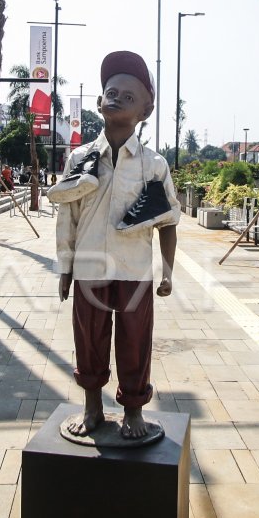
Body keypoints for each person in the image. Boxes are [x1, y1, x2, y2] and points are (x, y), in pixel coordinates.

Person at [57, 50, 179, 439]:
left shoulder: (154, 165)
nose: (118, 97)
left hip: (134, 271)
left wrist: (168, 272)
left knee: (135, 341)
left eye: (130, 95)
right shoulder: (80, 158)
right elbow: (67, 217)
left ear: (146, 109)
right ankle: (92, 407)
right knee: (88, 340)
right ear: (98, 102)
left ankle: (133, 412)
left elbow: (168, 222)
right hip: (90, 269)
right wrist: (65, 267)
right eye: (112, 91)